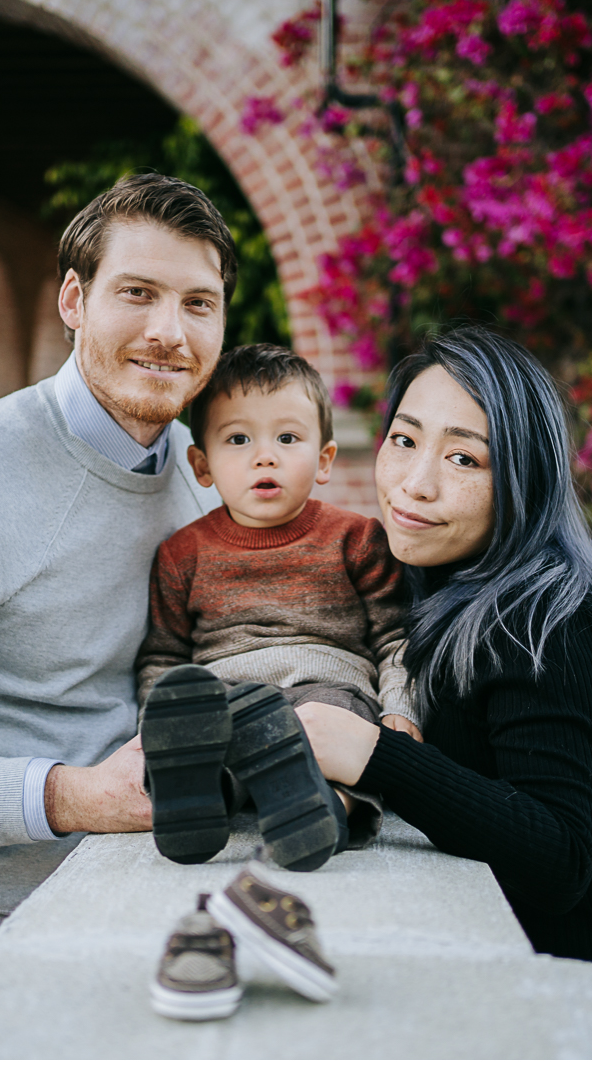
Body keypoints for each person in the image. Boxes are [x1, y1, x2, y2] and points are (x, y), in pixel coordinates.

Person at [0, 172, 237, 942]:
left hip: (143, 909)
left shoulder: (209, 479)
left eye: (198, 303)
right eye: (137, 293)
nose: (171, 331)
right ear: (74, 301)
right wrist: (75, 796)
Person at [295, 326, 592, 964]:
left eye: (464, 458)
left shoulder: (549, 620)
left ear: (524, 481)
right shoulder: (419, 576)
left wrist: (375, 754)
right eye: (405, 440)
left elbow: (561, 858)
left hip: (559, 995)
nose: (415, 484)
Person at [135, 344, 423, 867]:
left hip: (327, 689)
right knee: (211, 730)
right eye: (238, 439)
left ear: (324, 459)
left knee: (345, 734)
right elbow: (163, 656)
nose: (264, 456)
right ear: (202, 464)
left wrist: (401, 706)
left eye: (288, 438)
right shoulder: (182, 553)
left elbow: (395, 638)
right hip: (226, 696)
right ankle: (206, 799)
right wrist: (153, 726)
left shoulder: (356, 539)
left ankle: (321, 811)